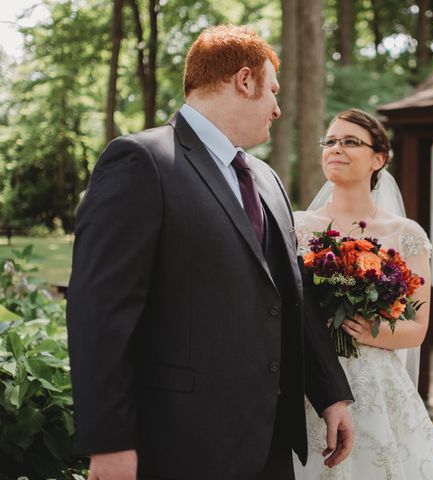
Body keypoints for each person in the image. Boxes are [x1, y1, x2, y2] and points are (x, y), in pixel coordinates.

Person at [66, 25, 354, 480]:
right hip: (181, 443)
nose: (278, 108)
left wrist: (331, 394)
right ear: (244, 80)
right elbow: (100, 312)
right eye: (272, 91)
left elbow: (290, 295)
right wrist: (109, 443)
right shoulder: (141, 161)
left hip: (269, 442)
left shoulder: (266, 179)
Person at [293, 109, 433, 479]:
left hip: (377, 390)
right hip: (312, 385)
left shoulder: (405, 233)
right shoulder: (298, 227)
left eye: (350, 142)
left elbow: (417, 328)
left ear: (378, 159)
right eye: (330, 141)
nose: (335, 149)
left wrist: (368, 331)